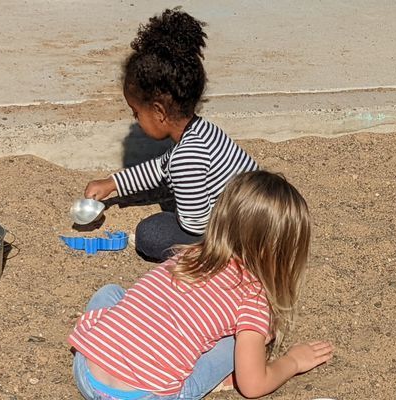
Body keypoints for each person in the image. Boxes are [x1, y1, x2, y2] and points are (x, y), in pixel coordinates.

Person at [69, 170, 335, 400]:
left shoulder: (188, 255)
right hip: (147, 394)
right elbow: (254, 386)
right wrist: (293, 361)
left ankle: (103, 334)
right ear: (283, 249)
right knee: (235, 343)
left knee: (112, 293)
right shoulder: (253, 296)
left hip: (88, 372)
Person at [83, 8, 258, 262]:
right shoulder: (202, 131)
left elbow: (196, 227)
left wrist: (177, 219)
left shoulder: (186, 158)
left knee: (150, 234)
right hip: (259, 210)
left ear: (158, 111)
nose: (136, 120)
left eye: (136, 113)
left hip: (245, 230)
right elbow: (159, 168)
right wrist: (111, 184)